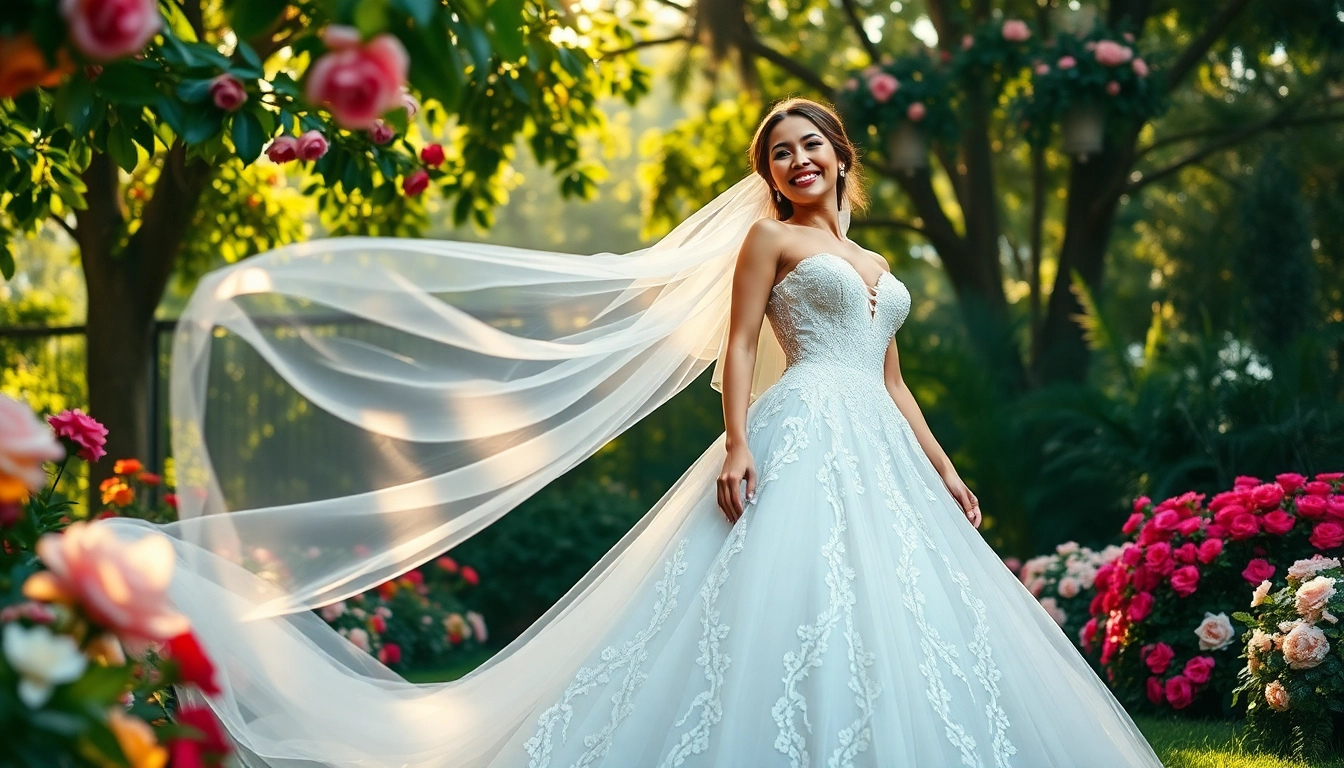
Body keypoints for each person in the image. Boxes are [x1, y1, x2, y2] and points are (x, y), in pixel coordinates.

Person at [103, 97, 1164, 767]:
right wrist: (740, 443)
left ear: (842, 158)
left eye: (811, 145)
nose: (797, 159)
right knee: (779, 594)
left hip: (877, 444)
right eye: (781, 151)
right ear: (772, 173)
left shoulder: (878, 267)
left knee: (895, 606)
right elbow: (738, 347)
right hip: (798, 428)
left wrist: (945, 469)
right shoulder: (769, 243)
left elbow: (890, 377)